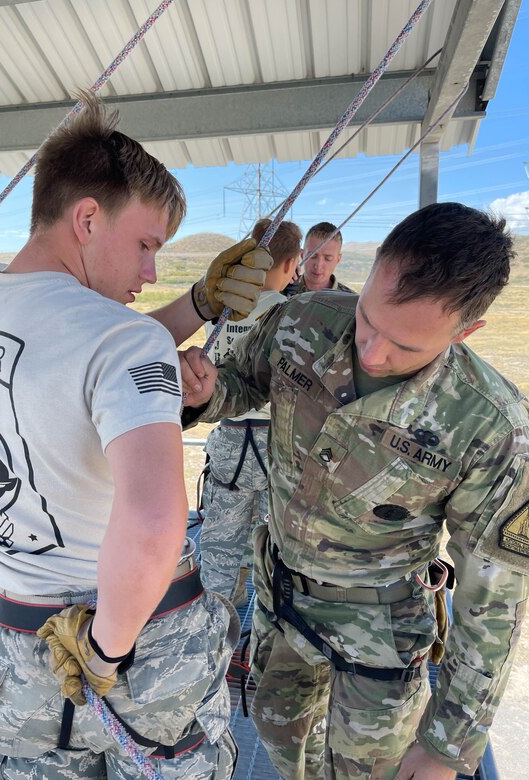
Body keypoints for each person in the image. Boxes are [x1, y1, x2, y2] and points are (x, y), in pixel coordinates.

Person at [0, 90, 273, 779]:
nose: (151, 270)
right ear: (88, 218)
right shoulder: (124, 342)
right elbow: (154, 522)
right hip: (144, 657)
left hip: (16, 651)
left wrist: (197, 307)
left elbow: (60, 360)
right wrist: (106, 650)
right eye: (147, 245)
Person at [180, 202, 529, 780]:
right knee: (281, 742)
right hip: (282, 604)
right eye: (368, 318)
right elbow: (243, 384)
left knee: (367, 772)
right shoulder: (303, 319)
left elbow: (494, 601)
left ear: (466, 331)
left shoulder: (491, 427)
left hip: (380, 640)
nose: (370, 352)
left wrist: (448, 744)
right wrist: (205, 393)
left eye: (405, 346)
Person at [199, 217, 302, 606]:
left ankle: (218, 621)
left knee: (221, 545)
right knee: (275, 549)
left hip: (229, 441)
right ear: (292, 265)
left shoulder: (225, 309)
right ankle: (264, 632)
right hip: (275, 446)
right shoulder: (291, 313)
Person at [283, 220, 353, 295]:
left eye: (328, 259)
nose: (318, 266)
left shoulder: (350, 301)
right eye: (312, 256)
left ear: (338, 260)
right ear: (302, 255)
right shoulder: (280, 289)